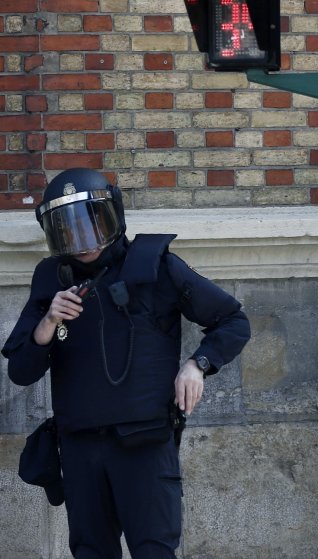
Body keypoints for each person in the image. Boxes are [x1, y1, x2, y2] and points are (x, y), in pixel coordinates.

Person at [3, 168, 251, 559]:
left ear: (112, 216)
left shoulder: (154, 265)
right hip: (80, 447)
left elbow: (233, 321)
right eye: (67, 231)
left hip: (145, 445)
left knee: (153, 551)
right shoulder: (51, 278)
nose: (82, 242)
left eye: (91, 224)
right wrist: (48, 322)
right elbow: (21, 371)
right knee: (91, 551)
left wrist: (198, 364)